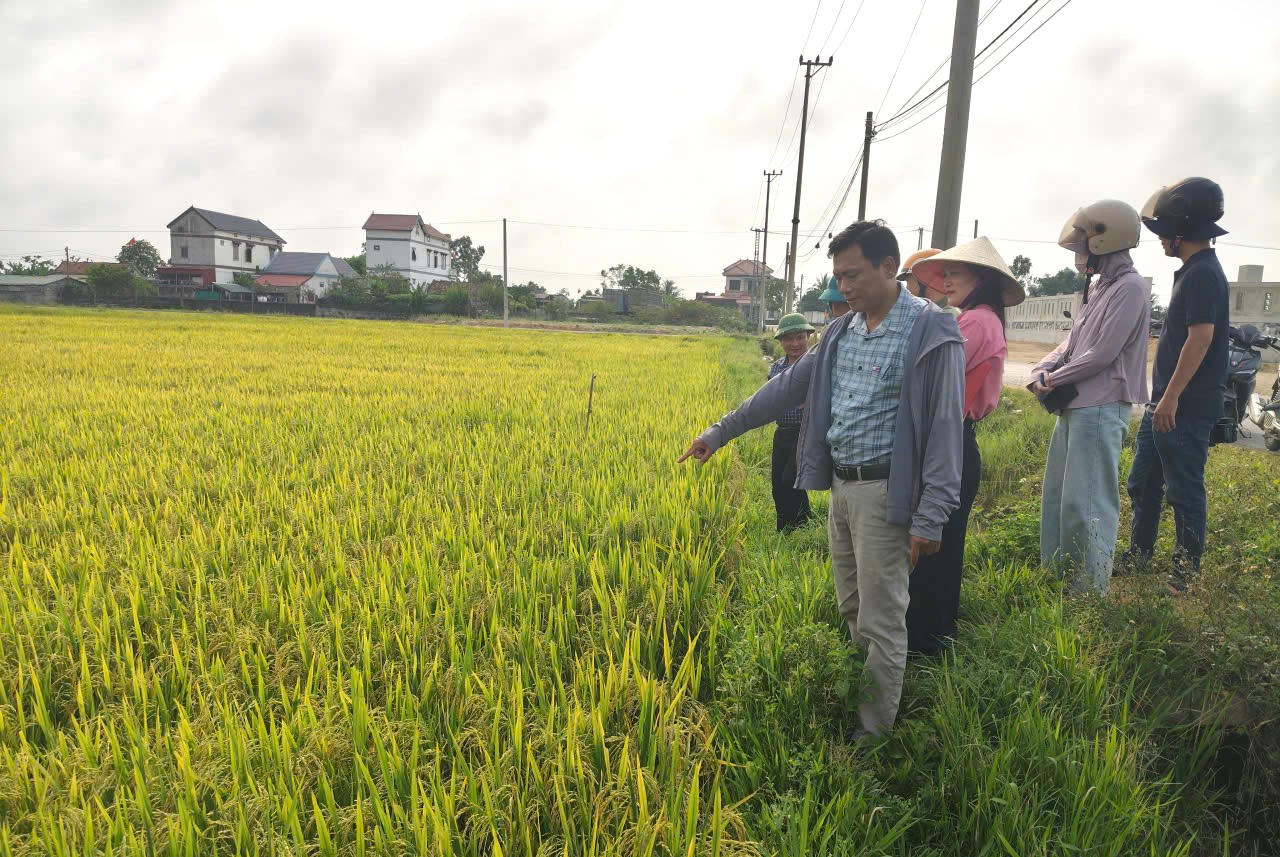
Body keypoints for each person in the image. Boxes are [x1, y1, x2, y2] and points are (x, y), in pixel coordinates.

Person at [679, 220, 965, 736]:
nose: (845, 288)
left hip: (887, 493)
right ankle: (862, 694)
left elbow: (946, 427)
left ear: (887, 266)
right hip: (842, 488)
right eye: (838, 277)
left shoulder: (930, 329)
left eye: (853, 275)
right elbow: (785, 389)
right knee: (852, 604)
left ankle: (872, 734)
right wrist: (720, 432)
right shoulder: (840, 331)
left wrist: (933, 515)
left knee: (882, 618)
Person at [905, 237, 1022, 653]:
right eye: (945, 273)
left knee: (932, 546)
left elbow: (927, 376)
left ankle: (925, 641)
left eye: (956, 272)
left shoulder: (974, 323)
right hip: (956, 441)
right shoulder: (982, 318)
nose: (947, 279)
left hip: (949, 441)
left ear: (982, 278)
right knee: (944, 546)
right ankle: (935, 635)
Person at [1032, 200, 1151, 595]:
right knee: (1059, 499)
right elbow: (1073, 341)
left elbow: (1102, 352)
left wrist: (1054, 377)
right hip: (1077, 404)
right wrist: (1042, 369)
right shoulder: (1101, 286)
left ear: (1106, 239)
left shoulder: (1130, 288)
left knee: (1088, 503)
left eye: (1084, 246)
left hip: (1100, 408)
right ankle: (1059, 579)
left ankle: (1087, 594)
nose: (1079, 256)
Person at [1119, 177, 1230, 593]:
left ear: (1181, 230)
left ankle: (1185, 576)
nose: (1162, 239)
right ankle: (1139, 556)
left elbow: (1200, 339)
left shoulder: (1203, 275)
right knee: (1142, 482)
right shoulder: (1192, 272)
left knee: (1183, 491)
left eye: (1165, 230)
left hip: (1182, 406)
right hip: (1162, 404)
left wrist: (1170, 398)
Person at [769, 313, 816, 531]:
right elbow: (768, 399)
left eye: (800, 337)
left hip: (805, 431)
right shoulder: (776, 368)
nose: (795, 344)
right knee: (777, 482)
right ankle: (784, 526)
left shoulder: (818, 366)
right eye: (789, 339)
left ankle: (801, 522)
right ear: (780, 342)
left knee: (791, 478)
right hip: (783, 431)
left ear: (808, 337)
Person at [897, 248, 958, 315]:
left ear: (925, 282)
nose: (907, 289)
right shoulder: (933, 315)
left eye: (909, 283)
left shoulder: (943, 318)